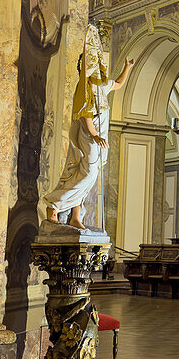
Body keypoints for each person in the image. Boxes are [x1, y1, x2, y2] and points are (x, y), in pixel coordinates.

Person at [44, 21, 134, 230]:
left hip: (99, 135)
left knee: (88, 177)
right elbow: (85, 113)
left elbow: (119, 84)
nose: (100, 67)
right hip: (90, 135)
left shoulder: (102, 85)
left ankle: (76, 215)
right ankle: (54, 204)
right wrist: (94, 135)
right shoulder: (86, 86)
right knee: (88, 174)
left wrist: (127, 67)